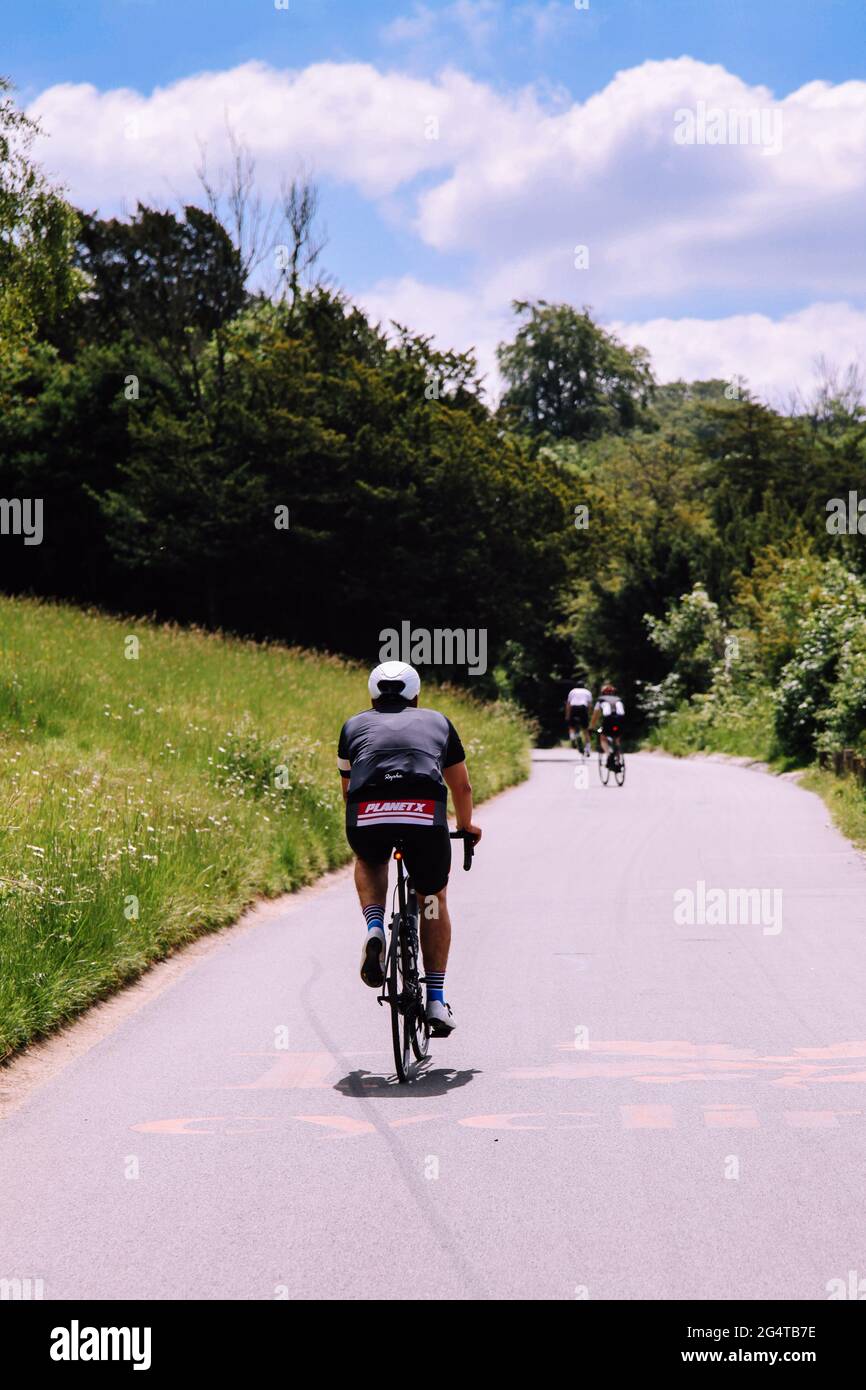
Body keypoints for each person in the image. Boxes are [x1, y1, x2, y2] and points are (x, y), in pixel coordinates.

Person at [337, 660, 481, 1036]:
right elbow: (461, 788)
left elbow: (347, 791)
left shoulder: (352, 726)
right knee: (432, 897)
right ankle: (435, 999)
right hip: (423, 819)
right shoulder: (437, 722)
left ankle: (375, 926)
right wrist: (466, 828)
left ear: (372, 695)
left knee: (369, 859)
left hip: (367, 816)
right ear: (417, 696)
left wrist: (373, 818)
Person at [590, 683, 626, 768]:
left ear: (603, 693)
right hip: (620, 719)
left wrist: (591, 727)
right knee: (617, 738)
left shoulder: (601, 700)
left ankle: (609, 754)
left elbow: (595, 716)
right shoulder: (618, 699)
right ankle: (618, 760)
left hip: (608, 719)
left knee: (602, 736)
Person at [564, 678, 593, 755]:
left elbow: (568, 704)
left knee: (571, 726)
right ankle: (588, 748)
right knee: (585, 730)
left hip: (574, 708)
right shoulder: (587, 692)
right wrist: (588, 714)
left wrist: (567, 715)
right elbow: (589, 705)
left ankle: (572, 737)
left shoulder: (572, 691)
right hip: (583, 708)